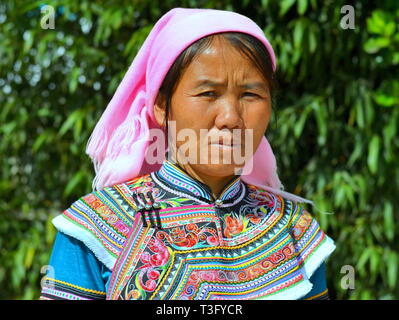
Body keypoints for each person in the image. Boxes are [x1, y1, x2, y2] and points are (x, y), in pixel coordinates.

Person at [40, 7, 336, 300]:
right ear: (161, 105)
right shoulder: (95, 227)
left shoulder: (294, 229)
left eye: (251, 95)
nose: (231, 117)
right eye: (208, 93)